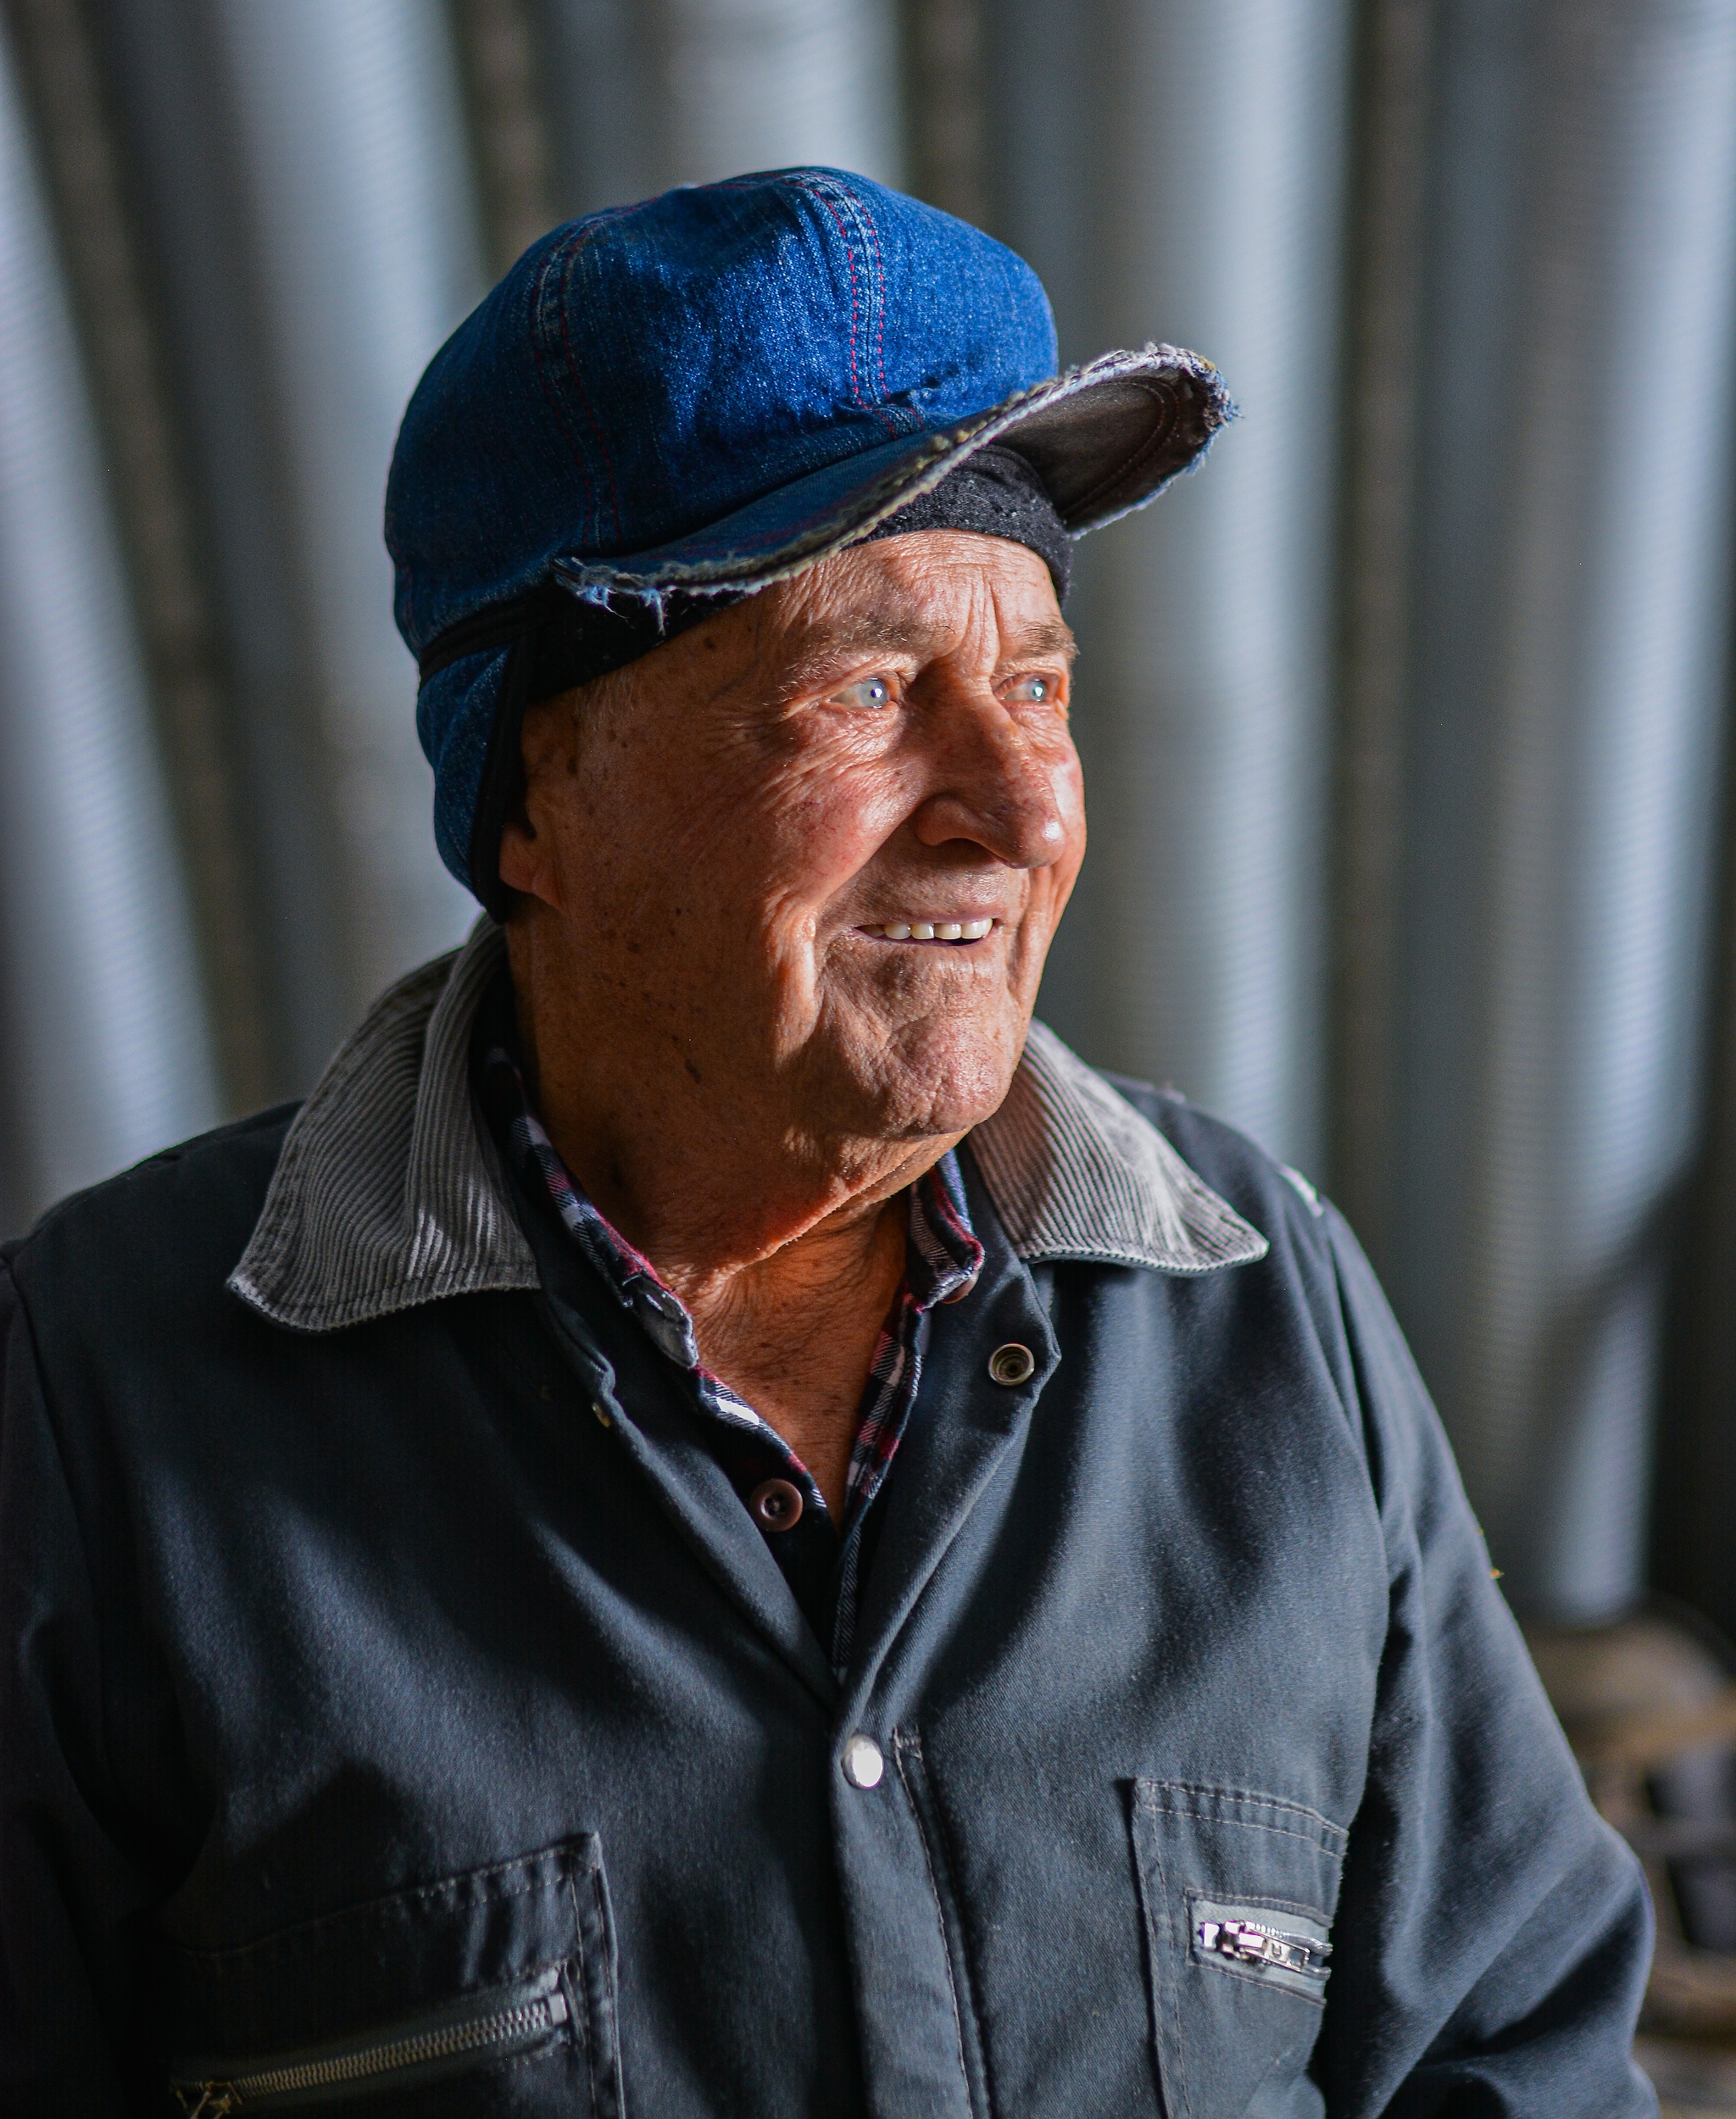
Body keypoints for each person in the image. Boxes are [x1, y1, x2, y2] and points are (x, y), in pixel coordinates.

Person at [1, 169, 1653, 2116]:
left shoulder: (1264, 1312)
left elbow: (1513, 2061)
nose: (1015, 810)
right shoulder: (92, 1399)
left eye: (1034, 684)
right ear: (534, 788)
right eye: (867, 688)